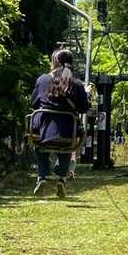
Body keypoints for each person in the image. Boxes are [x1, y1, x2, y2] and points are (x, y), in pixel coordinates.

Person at [30, 48, 90, 197]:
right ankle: (61, 178)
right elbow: (83, 108)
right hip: (68, 132)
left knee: (39, 144)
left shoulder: (42, 80)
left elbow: (34, 102)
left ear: (54, 62)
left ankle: (42, 176)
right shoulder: (76, 84)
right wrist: (85, 94)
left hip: (42, 131)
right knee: (66, 145)